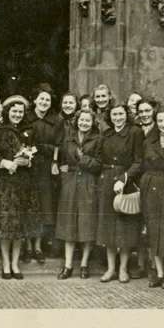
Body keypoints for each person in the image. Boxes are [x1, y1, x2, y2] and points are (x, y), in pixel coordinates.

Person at [0, 97, 43, 280]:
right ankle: (5, 263)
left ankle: (16, 264)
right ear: (7, 112)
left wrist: (28, 161)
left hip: (24, 184)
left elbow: (38, 154)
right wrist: (3, 163)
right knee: (5, 225)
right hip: (4, 185)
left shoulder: (30, 131)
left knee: (19, 225)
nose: (17, 115)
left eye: (20, 112)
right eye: (14, 111)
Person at [96, 102, 145, 283]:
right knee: (109, 228)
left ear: (127, 115)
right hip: (107, 181)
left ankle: (123, 269)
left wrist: (124, 178)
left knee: (124, 228)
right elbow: (100, 158)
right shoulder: (106, 134)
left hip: (126, 181)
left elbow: (139, 161)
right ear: (110, 117)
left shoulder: (135, 133)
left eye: (121, 114)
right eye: (114, 115)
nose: (118, 118)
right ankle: (110, 269)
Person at [55, 109, 102, 280]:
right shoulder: (69, 137)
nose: (84, 123)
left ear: (92, 122)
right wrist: (64, 175)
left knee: (86, 223)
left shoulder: (98, 139)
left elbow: (99, 164)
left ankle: (84, 264)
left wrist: (83, 159)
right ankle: (67, 266)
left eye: (88, 121)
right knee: (69, 224)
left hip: (89, 182)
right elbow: (63, 161)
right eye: (81, 120)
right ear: (77, 121)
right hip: (71, 183)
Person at [21, 86, 64, 263]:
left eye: (47, 100)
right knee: (28, 205)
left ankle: (38, 246)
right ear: (35, 100)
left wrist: (51, 157)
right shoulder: (26, 118)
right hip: (28, 167)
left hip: (46, 168)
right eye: (41, 99)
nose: (44, 102)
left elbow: (59, 145)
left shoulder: (57, 120)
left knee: (43, 206)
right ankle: (27, 246)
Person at [139, 107, 164, 289]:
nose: (163, 124)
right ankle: (159, 272)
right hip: (151, 186)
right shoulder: (149, 141)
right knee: (153, 228)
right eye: (160, 121)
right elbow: (142, 164)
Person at [131, 97, 160, 278]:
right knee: (139, 222)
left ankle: (155, 266)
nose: (144, 114)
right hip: (138, 180)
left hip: (155, 181)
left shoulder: (161, 128)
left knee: (154, 224)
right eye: (140, 111)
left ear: (154, 111)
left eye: (147, 111)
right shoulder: (135, 130)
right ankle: (141, 264)